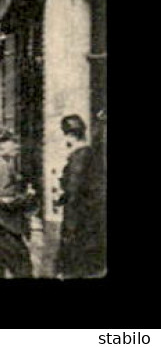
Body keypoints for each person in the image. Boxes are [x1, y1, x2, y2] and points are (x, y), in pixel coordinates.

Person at [0, 129, 35, 278]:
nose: (17, 145)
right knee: (23, 270)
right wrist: (28, 197)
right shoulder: (2, 167)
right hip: (5, 228)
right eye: (12, 141)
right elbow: (5, 201)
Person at [54, 113, 106, 278]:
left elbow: (74, 189)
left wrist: (69, 223)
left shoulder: (79, 155)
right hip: (90, 215)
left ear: (69, 136)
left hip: (79, 217)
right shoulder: (90, 153)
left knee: (76, 262)